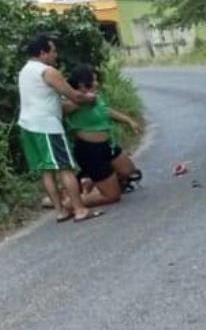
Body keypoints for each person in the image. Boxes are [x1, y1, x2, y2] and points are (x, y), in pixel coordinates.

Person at [16, 34, 102, 222]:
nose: (56, 55)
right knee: (65, 168)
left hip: (27, 126)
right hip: (47, 125)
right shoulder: (47, 71)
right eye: (53, 51)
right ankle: (80, 209)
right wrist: (90, 98)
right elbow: (74, 96)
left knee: (46, 170)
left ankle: (61, 211)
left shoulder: (24, 71)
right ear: (42, 53)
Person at [64, 64, 143, 206]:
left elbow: (107, 111)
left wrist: (129, 121)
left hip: (107, 145)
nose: (96, 83)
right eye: (93, 80)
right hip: (90, 151)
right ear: (82, 84)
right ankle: (71, 204)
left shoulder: (95, 97)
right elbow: (65, 108)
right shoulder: (72, 102)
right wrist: (83, 99)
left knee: (129, 171)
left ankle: (91, 181)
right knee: (113, 197)